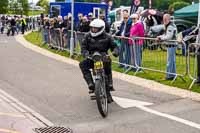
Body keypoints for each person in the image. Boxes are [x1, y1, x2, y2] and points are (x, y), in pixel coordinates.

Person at [79, 19, 119, 103]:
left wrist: (115, 52)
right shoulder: (87, 36)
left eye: (95, 28)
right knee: (82, 64)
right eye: (92, 28)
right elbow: (83, 47)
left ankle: (109, 85)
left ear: (101, 28)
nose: (93, 30)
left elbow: (115, 46)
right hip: (91, 57)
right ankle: (90, 84)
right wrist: (85, 53)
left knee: (107, 64)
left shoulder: (108, 36)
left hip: (103, 56)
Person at [157, 14, 177, 80]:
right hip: (171, 45)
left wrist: (161, 38)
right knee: (172, 61)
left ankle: (168, 76)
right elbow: (166, 34)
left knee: (169, 61)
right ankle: (173, 75)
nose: (164, 20)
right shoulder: (168, 25)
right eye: (163, 19)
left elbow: (169, 36)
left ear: (169, 19)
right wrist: (160, 36)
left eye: (165, 19)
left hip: (171, 45)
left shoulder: (170, 26)